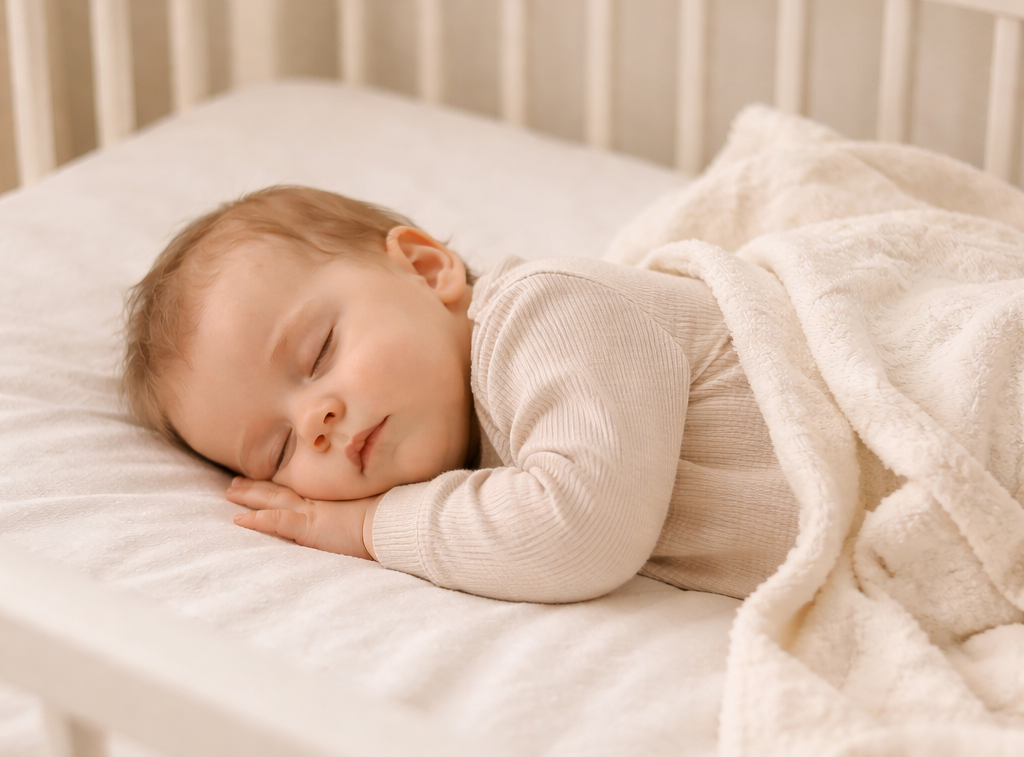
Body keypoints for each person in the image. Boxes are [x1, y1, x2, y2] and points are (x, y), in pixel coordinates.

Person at [122, 184, 798, 603]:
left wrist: (365, 527)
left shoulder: (546, 312)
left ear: (425, 269)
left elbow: (581, 533)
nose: (315, 420)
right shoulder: (477, 466)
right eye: (278, 450)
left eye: (319, 351)